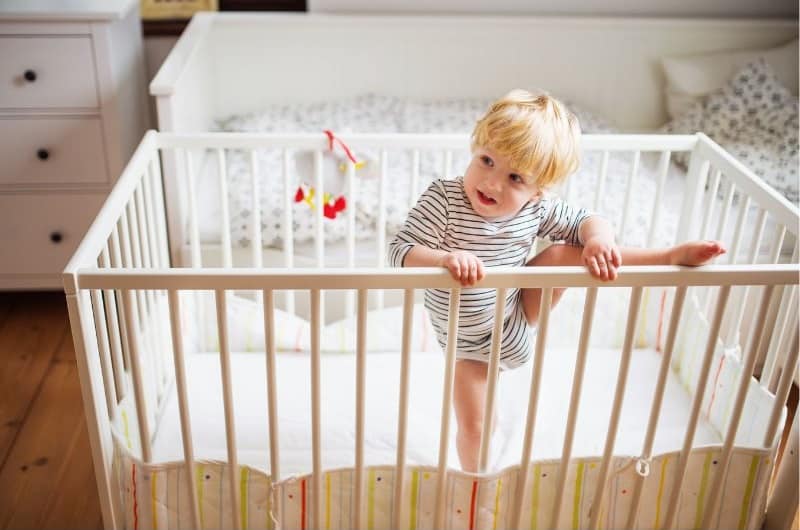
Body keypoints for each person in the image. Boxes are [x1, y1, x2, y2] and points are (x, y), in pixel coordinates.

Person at [387, 89, 726, 473]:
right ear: (475, 148)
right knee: (476, 426)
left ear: (538, 191)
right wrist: (445, 258)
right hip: (469, 346)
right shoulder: (444, 201)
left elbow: (587, 221)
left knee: (571, 252)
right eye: (486, 161)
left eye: (515, 177)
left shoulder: (535, 210)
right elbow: (400, 251)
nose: (492, 183)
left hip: (517, 315)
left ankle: (668, 257)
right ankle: (475, 484)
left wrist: (599, 238)